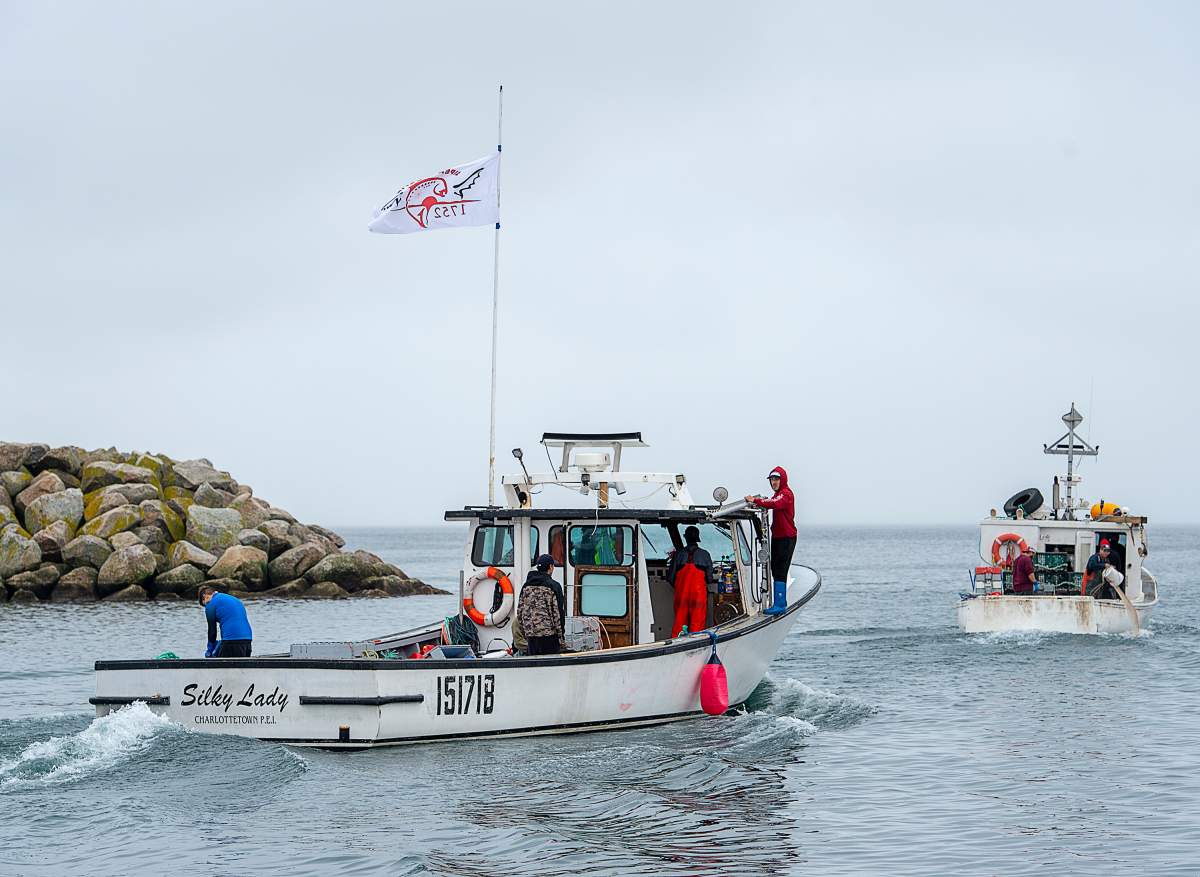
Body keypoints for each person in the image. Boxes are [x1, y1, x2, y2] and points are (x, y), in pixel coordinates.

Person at [746, 466, 796, 615]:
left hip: (786, 537)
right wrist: (758, 502)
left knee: (780, 570)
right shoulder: (778, 494)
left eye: (776, 479)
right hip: (778, 536)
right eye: (772, 480)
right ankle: (779, 601)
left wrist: (755, 500)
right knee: (775, 568)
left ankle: (780, 604)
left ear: (783, 480)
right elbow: (771, 501)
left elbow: (775, 504)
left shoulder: (786, 494)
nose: (773, 482)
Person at [666, 525, 714, 636]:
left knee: (679, 623)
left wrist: (680, 587)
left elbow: (670, 577)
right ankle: (695, 645)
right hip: (698, 596)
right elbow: (710, 579)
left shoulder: (678, 555)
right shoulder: (705, 554)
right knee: (697, 623)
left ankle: (677, 644)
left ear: (685, 538)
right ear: (698, 538)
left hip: (681, 595)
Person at [517, 553, 566, 655]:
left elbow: (520, 612)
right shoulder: (554, 586)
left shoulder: (526, 587)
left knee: (533, 667)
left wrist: (526, 631)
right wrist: (561, 638)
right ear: (551, 567)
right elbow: (558, 614)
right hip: (549, 637)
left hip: (531, 637)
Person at [199, 585, 253, 657]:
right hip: (247, 640)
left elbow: (212, 631)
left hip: (231, 641)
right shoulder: (233, 599)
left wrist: (210, 649)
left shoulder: (211, 603)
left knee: (223, 667)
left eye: (204, 604)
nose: (206, 607)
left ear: (205, 596)